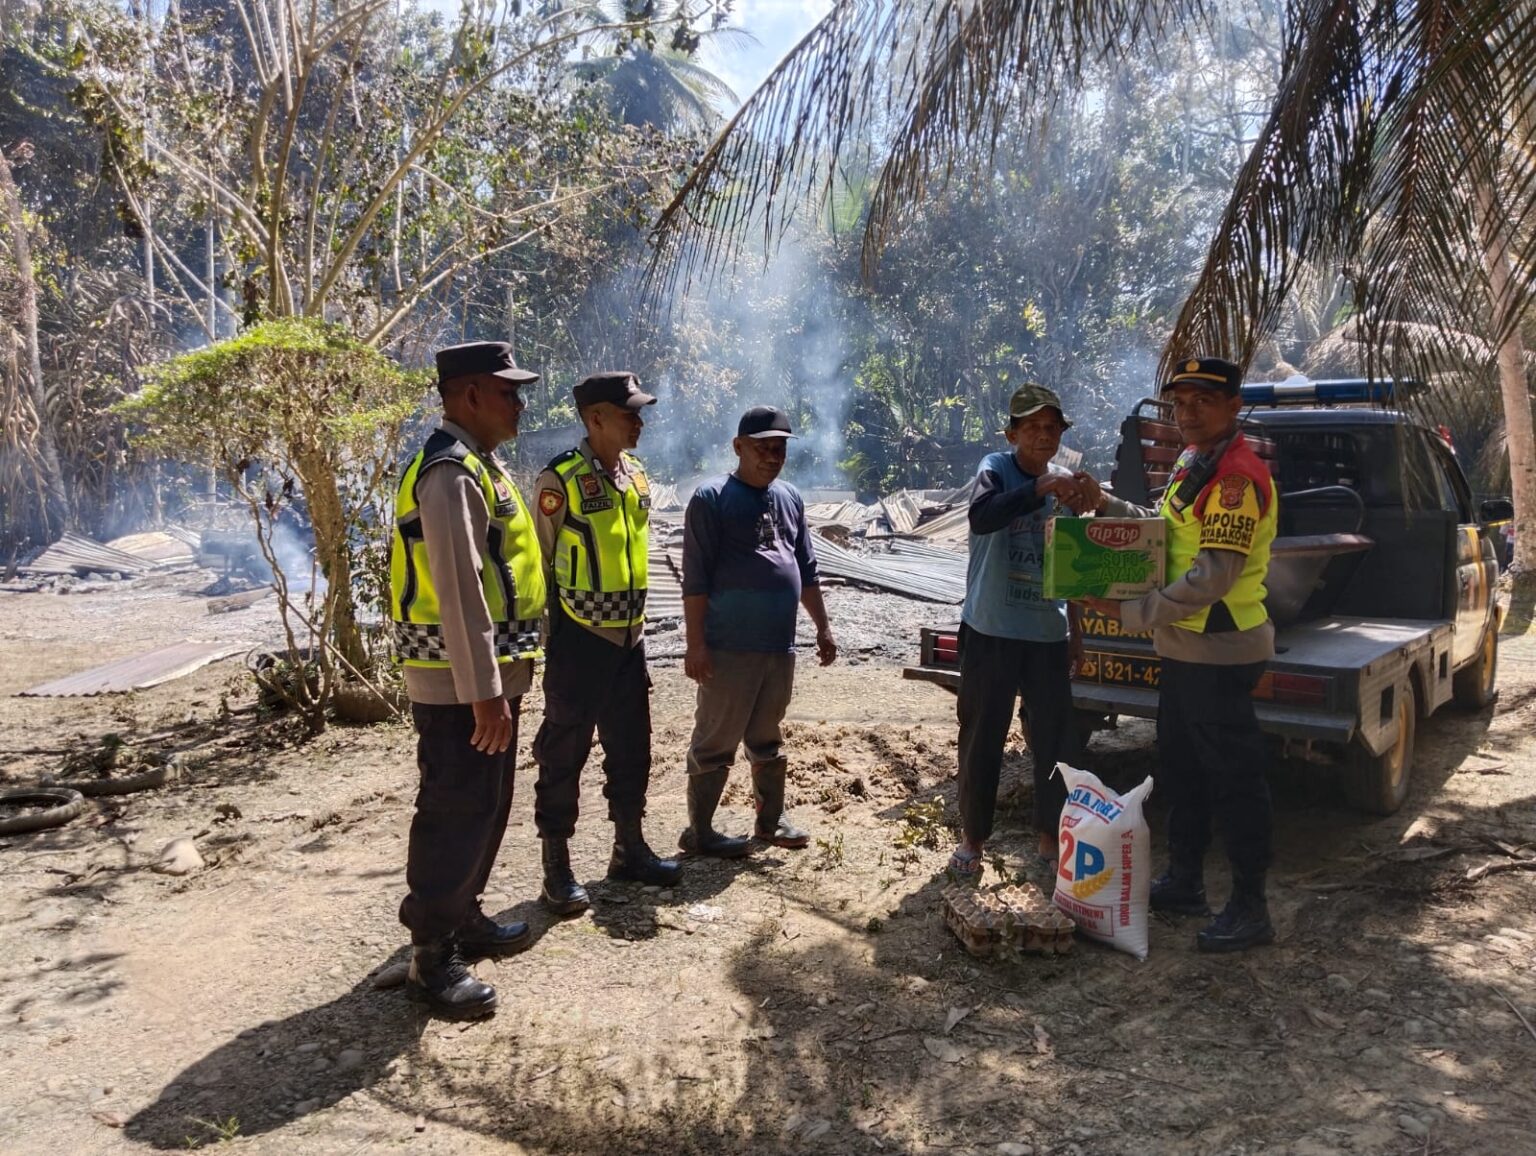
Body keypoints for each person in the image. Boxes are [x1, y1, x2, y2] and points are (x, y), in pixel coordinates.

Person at [1072, 357, 1279, 953]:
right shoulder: (1196, 461)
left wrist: (1127, 614)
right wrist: (1106, 503)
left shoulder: (1236, 478)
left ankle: (1250, 905)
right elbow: (1163, 533)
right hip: (1186, 651)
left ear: (1234, 405)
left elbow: (1212, 576)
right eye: (1179, 403)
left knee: (1236, 780)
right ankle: (1186, 880)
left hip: (1220, 648)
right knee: (1183, 768)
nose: (1187, 413)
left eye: (1203, 402)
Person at [388, 340, 546, 1019]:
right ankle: (431, 956)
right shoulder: (450, 472)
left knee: (487, 805)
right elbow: (458, 592)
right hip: (459, 690)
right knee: (456, 811)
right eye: (508, 391)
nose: (520, 402)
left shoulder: (483, 466)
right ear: (470, 394)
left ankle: (464, 918)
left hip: (486, 685)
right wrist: (484, 692)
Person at [531, 371, 682, 914]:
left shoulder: (637, 476)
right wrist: (546, 642)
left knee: (631, 747)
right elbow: (541, 566)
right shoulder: (560, 481)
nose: (639, 422)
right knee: (564, 751)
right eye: (629, 414)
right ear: (596, 418)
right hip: (579, 639)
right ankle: (557, 867)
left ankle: (629, 849)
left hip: (629, 640)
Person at [678, 406, 838, 857]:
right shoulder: (711, 498)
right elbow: (696, 579)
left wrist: (822, 627)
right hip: (728, 647)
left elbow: (806, 569)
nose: (773, 456)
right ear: (738, 447)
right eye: (763, 447)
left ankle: (770, 821)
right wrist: (696, 645)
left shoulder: (788, 497)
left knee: (768, 734)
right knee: (716, 738)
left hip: (777, 645)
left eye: (780, 448)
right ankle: (700, 831)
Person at [948, 383, 1089, 880]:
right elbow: (982, 518)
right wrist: (1038, 489)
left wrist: (1077, 631)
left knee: (1055, 741)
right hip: (991, 629)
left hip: (1046, 635)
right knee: (982, 734)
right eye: (1032, 427)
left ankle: (1049, 842)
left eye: (1052, 427)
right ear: (1012, 434)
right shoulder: (995, 468)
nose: (1043, 435)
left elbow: (1072, 567)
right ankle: (973, 839)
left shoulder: (1068, 487)